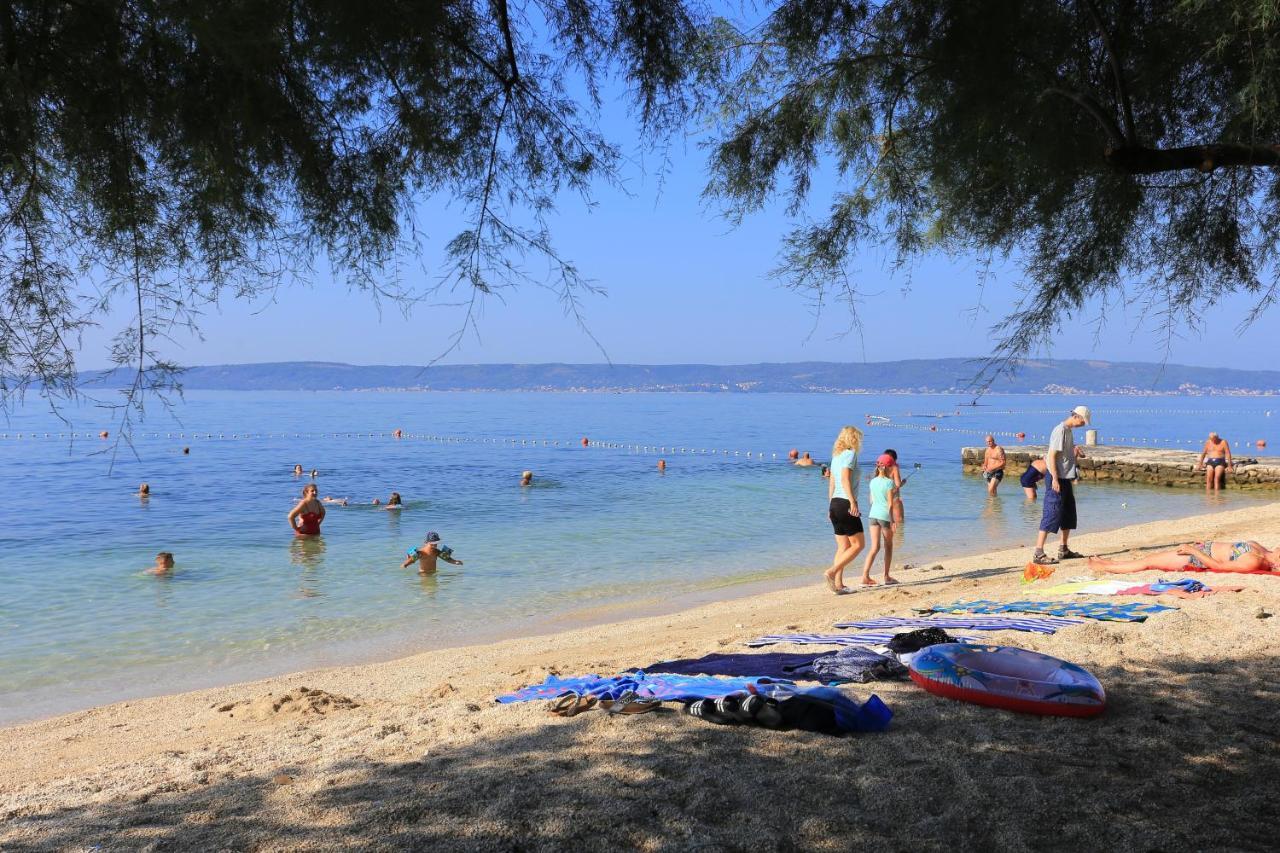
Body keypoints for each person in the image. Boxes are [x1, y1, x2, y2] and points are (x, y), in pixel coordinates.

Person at [1031, 406, 1091, 565]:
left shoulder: (1068, 431)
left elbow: (1063, 453)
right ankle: (1038, 552)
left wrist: (1074, 451)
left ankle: (1063, 549)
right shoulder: (1060, 430)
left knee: (1068, 513)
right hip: (1056, 477)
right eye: (1083, 421)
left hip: (1066, 477)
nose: (1084, 425)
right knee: (1051, 511)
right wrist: (1055, 479)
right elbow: (1051, 456)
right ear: (1076, 416)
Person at [824, 426, 865, 594]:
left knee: (843, 546)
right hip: (845, 503)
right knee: (859, 545)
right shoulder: (850, 454)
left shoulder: (836, 457)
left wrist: (830, 505)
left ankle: (838, 584)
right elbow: (845, 479)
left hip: (835, 503)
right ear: (853, 439)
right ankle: (832, 572)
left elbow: (832, 483)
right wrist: (853, 502)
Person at [1090, 540, 1279, 575]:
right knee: (1150, 558)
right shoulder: (1261, 549)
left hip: (1195, 558)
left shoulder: (1255, 561)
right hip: (1202, 548)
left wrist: (1194, 551)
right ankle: (1110, 563)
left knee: (1147, 563)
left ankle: (1104, 567)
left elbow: (1219, 567)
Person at [860, 454, 900, 586]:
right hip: (884, 516)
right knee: (888, 546)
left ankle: (865, 577)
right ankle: (886, 576)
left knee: (874, 547)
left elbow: (871, 500)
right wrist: (893, 520)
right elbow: (889, 504)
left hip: (873, 515)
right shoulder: (889, 482)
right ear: (889, 468)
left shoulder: (873, 481)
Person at [883, 449, 905, 526]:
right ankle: (898, 537)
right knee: (899, 520)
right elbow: (898, 484)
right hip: (893, 495)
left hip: (883, 496)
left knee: (885, 521)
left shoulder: (880, 467)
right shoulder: (894, 467)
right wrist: (903, 482)